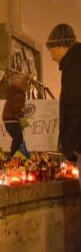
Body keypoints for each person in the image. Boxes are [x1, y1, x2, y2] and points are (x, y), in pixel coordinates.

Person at [45, 23, 81, 188]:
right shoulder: (74, 63)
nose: (51, 57)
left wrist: (77, 146)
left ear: (59, 45)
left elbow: (75, 106)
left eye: (51, 50)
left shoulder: (74, 67)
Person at [2, 73, 30, 156]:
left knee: (17, 137)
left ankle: (16, 154)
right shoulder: (19, 95)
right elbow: (17, 108)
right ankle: (14, 155)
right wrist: (22, 119)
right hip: (12, 119)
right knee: (18, 138)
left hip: (8, 119)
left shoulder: (13, 93)